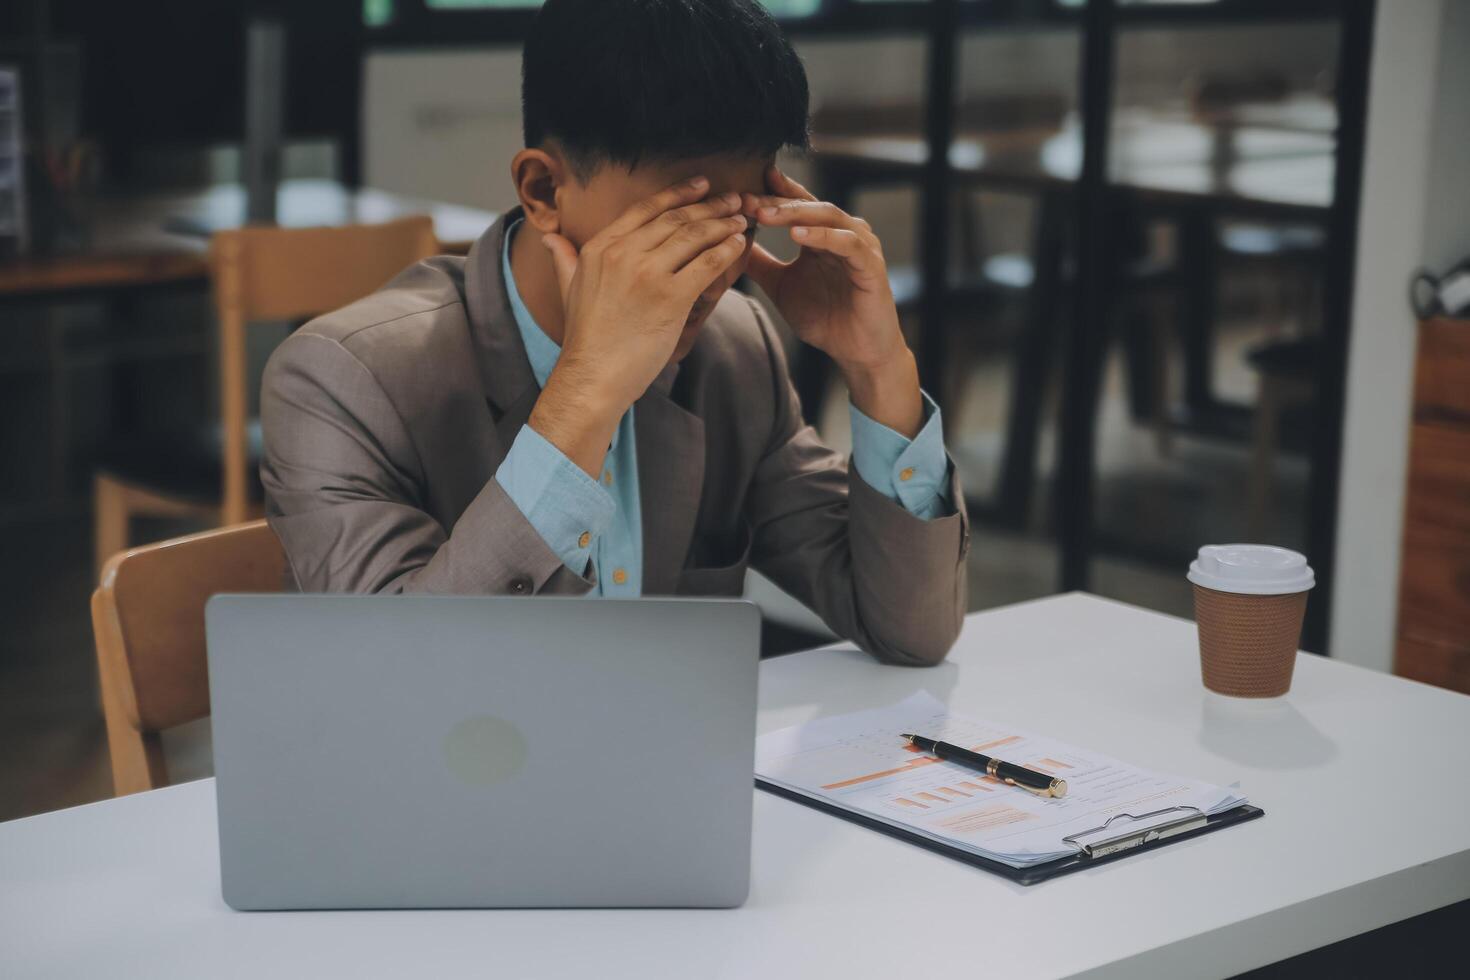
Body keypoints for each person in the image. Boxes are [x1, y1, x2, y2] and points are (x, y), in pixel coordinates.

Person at [260, 0, 970, 665]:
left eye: (738, 225)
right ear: (542, 191)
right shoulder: (345, 379)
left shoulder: (732, 351)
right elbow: (403, 685)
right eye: (674, 231)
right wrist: (586, 396)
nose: (711, 273)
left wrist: (879, 366)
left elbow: (909, 630)